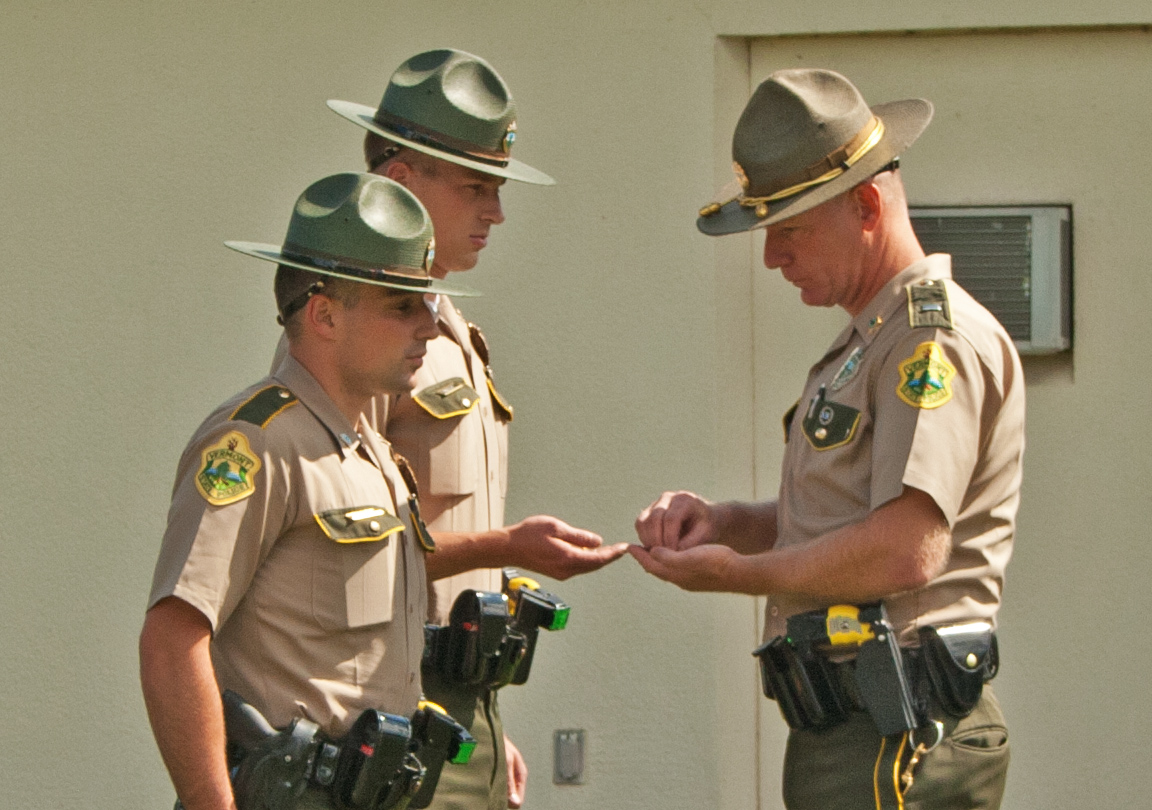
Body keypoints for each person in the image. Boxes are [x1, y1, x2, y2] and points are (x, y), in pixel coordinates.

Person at [633, 69, 1022, 810]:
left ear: (866, 206)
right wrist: (727, 523)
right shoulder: (872, 339)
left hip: (899, 728)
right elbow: (844, 520)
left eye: (790, 230)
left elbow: (904, 550)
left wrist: (738, 575)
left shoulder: (927, 340)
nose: (772, 257)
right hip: (858, 723)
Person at [323, 49, 629, 810]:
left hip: (459, 706)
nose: (495, 212)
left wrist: (485, 724)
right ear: (400, 182)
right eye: (474, 188)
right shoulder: (358, 332)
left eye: (498, 188)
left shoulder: (445, 324)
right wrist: (508, 547)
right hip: (388, 713)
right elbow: (337, 552)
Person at [140, 172, 478, 810]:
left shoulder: (371, 451)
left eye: (428, 303)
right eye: (401, 305)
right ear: (324, 314)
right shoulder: (256, 443)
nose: (430, 326)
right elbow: (171, 639)